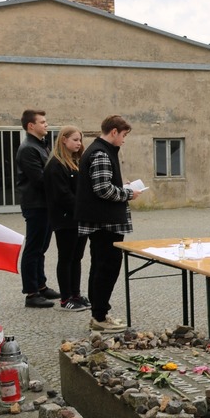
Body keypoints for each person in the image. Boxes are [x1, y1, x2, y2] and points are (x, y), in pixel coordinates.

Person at [76, 115, 142, 332]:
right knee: (106, 268)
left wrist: (120, 185)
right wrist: (127, 193)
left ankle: (99, 312)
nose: (123, 140)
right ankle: (100, 317)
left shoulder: (96, 150)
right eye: (123, 135)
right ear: (114, 132)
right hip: (105, 223)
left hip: (100, 221)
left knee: (99, 266)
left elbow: (102, 184)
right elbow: (103, 189)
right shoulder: (102, 153)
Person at [43, 125, 91, 311]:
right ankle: (65, 298)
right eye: (75, 140)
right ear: (64, 140)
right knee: (66, 258)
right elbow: (62, 195)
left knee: (77, 258)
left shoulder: (75, 161)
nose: (79, 143)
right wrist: (82, 208)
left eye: (80, 140)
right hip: (65, 219)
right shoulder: (55, 164)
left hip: (78, 218)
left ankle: (75, 294)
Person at [16, 108, 59, 309]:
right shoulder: (28, 149)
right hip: (36, 204)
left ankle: (41, 286)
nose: (46, 125)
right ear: (31, 126)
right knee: (33, 248)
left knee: (41, 248)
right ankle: (31, 293)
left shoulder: (41, 146)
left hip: (45, 204)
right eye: (42, 122)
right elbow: (40, 179)